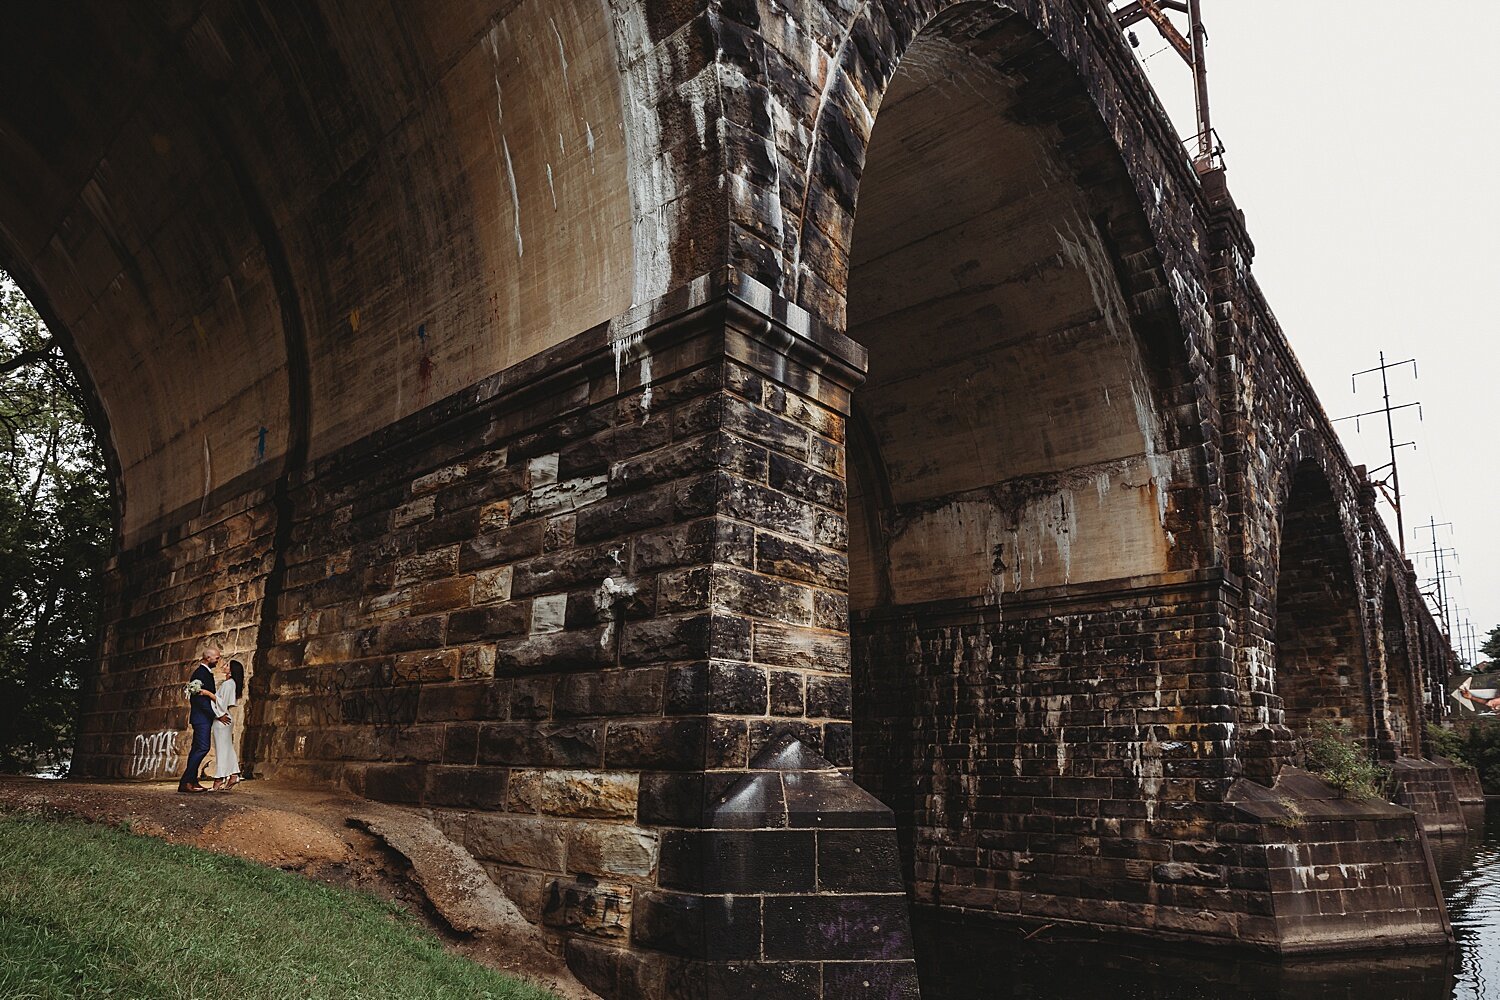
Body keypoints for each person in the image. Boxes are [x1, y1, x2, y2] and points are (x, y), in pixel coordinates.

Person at [178, 644, 222, 793]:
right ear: (208, 657)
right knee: (203, 747)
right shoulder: (200, 673)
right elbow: (199, 700)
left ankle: (191, 781)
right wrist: (215, 715)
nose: (218, 660)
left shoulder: (206, 673)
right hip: (201, 718)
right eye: (217, 658)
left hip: (202, 718)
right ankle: (186, 782)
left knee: (197, 748)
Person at [207, 660, 244, 790]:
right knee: (227, 747)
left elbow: (222, 703)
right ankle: (233, 775)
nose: (224, 666)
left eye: (227, 665)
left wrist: (208, 694)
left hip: (222, 719)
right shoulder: (230, 683)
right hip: (224, 717)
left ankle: (219, 779)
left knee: (222, 749)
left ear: (232, 670)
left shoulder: (228, 684)